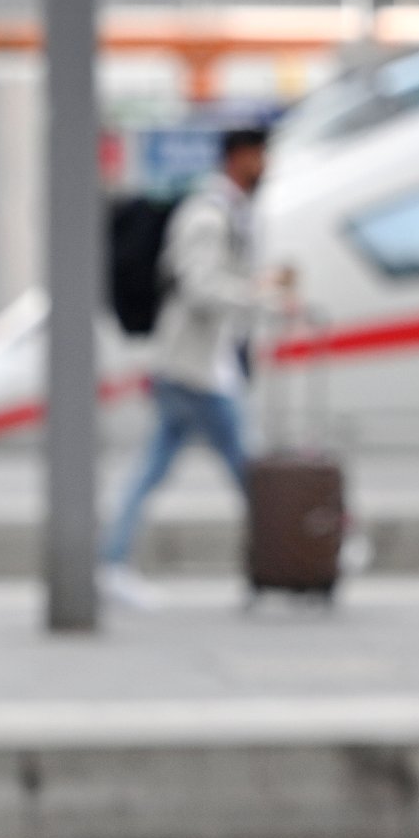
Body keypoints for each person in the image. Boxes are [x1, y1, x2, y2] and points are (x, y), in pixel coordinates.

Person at [99, 127, 287, 609]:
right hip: (196, 368)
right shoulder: (208, 215)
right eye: (260, 156)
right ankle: (289, 555)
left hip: (193, 364)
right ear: (240, 157)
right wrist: (260, 298)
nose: (264, 166)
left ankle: (113, 563)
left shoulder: (230, 213)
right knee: (248, 468)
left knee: (156, 468)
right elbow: (200, 286)